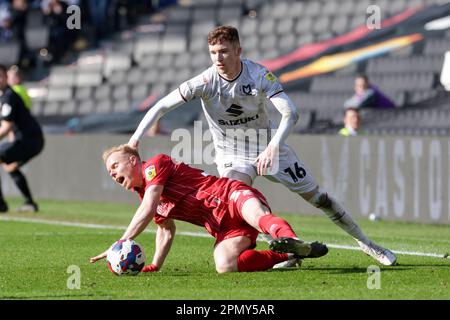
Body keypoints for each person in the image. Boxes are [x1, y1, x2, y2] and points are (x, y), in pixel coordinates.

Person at [127, 26, 397, 266]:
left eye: (223, 51)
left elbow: (291, 113)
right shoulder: (206, 82)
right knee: (237, 204)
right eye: (212, 52)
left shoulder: (258, 75)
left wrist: (272, 148)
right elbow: (161, 105)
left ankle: (367, 244)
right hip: (232, 156)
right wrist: (134, 139)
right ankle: (283, 248)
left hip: (269, 147)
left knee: (319, 199)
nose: (218, 58)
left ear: (238, 50)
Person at [90, 145, 329, 273]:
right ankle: (290, 253)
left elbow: (150, 205)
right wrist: (155, 264)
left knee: (258, 217)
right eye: (109, 171)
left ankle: (291, 239)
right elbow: (166, 230)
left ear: (133, 161)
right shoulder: (144, 193)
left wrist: (121, 243)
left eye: (115, 166)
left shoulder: (154, 165)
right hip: (223, 228)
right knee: (224, 265)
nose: (112, 173)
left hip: (230, 195)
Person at [0, 64, 43, 212]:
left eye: (1, 76)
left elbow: (6, 127)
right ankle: (29, 203)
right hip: (29, 139)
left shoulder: (9, 96)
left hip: (30, 139)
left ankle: (1, 205)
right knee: (9, 166)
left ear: (6, 77)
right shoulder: (4, 96)